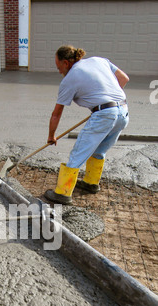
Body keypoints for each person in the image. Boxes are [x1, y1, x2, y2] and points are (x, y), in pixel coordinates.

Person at [44, 45, 129, 205]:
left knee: (78, 154)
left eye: (58, 66)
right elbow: (124, 79)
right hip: (123, 111)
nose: (58, 70)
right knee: (99, 150)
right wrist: (109, 101)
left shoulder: (69, 79)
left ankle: (62, 193)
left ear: (66, 63)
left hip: (105, 114)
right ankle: (91, 183)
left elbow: (56, 113)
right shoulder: (99, 60)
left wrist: (51, 136)